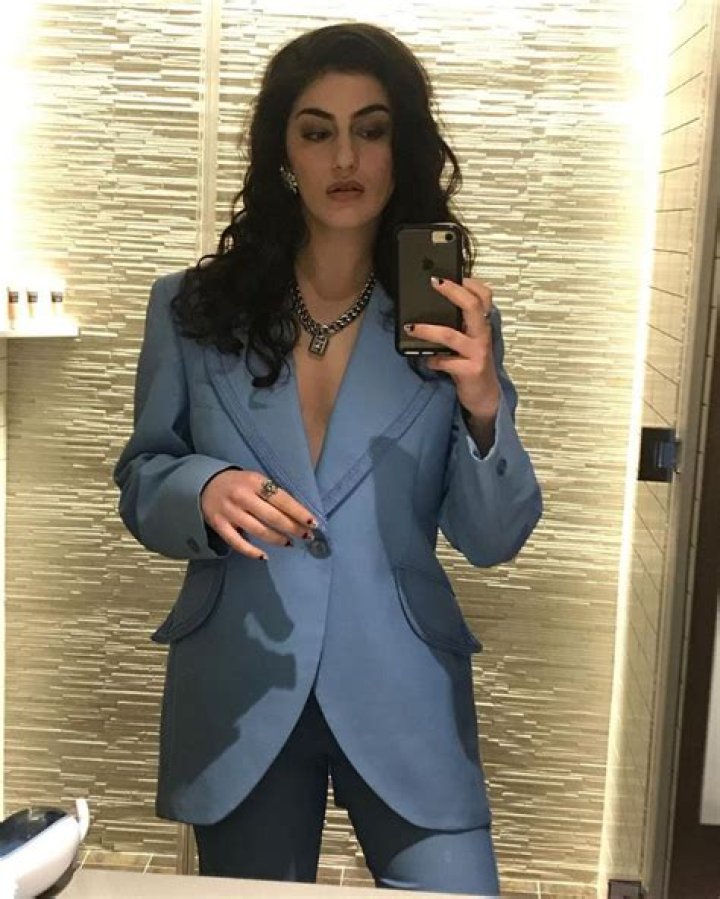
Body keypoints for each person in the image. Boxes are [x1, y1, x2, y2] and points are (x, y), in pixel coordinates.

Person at [114, 21, 542, 895]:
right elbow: (143, 476)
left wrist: (483, 403)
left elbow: (493, 537)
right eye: (317, 131)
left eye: (370, 130)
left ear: (399, 149)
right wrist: (204, 487)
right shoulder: (193, 310)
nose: (345, 156)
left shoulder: (452, 320)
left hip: (402, 683)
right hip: (246, 673)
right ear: (285, 155)